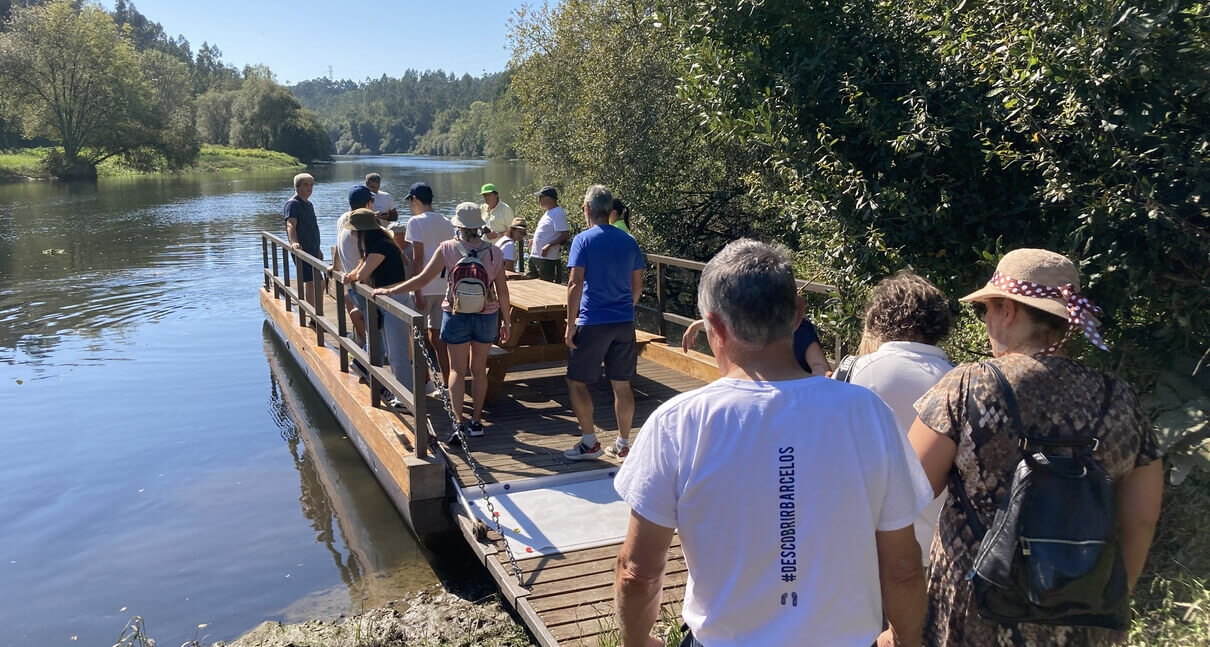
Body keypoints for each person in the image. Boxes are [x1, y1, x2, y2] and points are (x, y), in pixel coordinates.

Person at [613, 239, 932, 647]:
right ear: (799, 314)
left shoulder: (678, 423)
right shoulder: (868, 414)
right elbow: (903, 566)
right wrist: (905, 640)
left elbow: (637, 571)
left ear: (715, 325)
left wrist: (638, 643)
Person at [908, 248, 1163, 646]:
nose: (987, 321)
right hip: (1080, 618)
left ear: (1008, 311)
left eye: (986, 310)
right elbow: (1141, 519)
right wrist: (1106, 600)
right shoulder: (1121, 400)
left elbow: (909, 487)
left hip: (974, 609)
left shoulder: (968, 386)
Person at [375, 203, 510, 438]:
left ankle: (458, 423)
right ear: (480, 226)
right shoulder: (494, 251)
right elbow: (502, 290)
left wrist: (392, 290)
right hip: (487, 314)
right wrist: (506, 321)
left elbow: (422, 279)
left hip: (456, 314)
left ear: (458, 226)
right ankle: (477, 422)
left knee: (457, 370)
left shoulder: (447, 248)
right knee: (479, 370)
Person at [846, 271, 955, 566]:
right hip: (938, 550)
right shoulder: (960, 380)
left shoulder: (854, 373)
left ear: (877, 318)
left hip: (865, 547)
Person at [561, 185, 646, 461]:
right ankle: (622, 444)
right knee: (622, 384)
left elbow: (575, 283)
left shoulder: (583, 240)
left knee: (576, 381)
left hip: (592, 320)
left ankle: (589, 443)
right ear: (610, 212)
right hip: (623, 321)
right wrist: (623, 307)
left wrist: (570, 323)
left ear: (586, 209)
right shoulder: (629, 240)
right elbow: (637, 287)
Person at [342, 209, 411, 409]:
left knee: (398, 353)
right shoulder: (377, 245)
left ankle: (406, 397)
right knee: (393, 350)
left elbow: (363, 274)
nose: (353, 235)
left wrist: (352, 276)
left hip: (395, 300)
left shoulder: (381, 246)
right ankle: (403, 394)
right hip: (389, 300)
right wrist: (352, 274)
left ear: (364, 231)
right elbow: (360, 266)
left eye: (355, 231)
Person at [403, 181, 455, 394]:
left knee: (418, 336)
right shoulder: (447, 221)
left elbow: (418, 259)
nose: (410, 206)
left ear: (415, 199)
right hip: (444, 286)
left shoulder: (415, 222)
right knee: (438, 337)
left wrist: (416, 290)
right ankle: (448, 381)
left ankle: (426, 382)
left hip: (424, 286)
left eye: (410, 201)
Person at [681, 308, 831, 375]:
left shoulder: (800, 327)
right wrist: (696, 325)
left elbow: (820, 366)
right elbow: (728, 323)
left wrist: (817, 381)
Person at [335, 185, 378, 346]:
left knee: (357, 311)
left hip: (352, 283)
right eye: (372, 201)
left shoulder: (343, 220)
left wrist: (335, 265)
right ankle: (370, 349)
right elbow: (370, 255)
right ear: (368, 204)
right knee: (373, 319)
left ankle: (363, 343)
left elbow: (338, 244)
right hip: (366, 284)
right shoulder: (365, 225)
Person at [283, 172, 321, 307]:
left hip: (313, 249)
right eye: (305, 185)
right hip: (303, 250)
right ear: (297, 187)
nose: (309, 188)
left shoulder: (309, 204)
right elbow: (290, 224)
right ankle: (313, 317)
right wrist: (294, 242)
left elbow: (311, 227)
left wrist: (318, 248)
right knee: (310, 283)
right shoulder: (293, 204)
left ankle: (316, 310)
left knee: (319, 282)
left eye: (311, 185)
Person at [527, 185, 569, 283]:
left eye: (541, 197)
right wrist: (534, 240)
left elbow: (565, 234)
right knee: (531, 283)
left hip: (548, 258)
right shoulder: (548, 212)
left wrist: (549, 245)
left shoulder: (558, 213)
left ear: (549, 198)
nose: (539, 200)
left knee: (547, 287)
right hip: (537, 256)